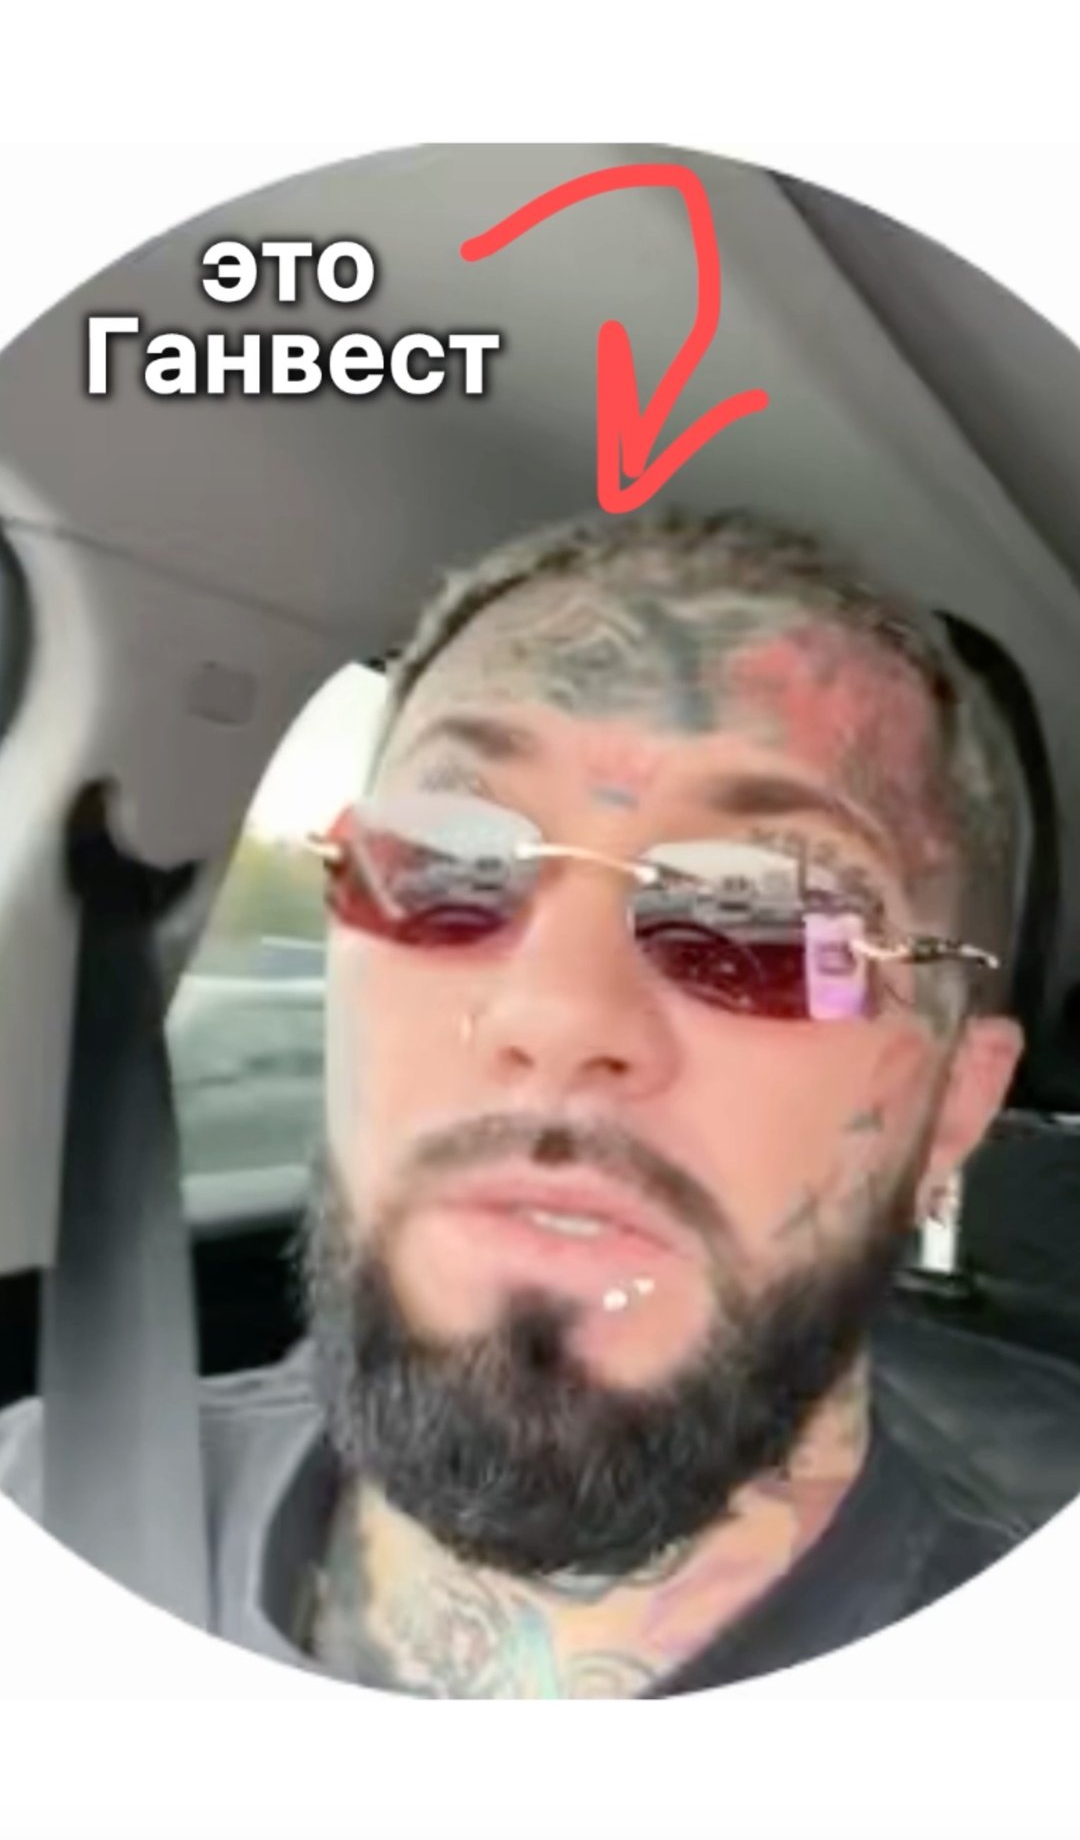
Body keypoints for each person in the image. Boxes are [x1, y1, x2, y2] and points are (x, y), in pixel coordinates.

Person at [0, 510, 1039, 1696]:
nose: (554, 1013)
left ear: (952, 1109)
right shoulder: (40, 1498)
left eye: (763, 917)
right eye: (444, 862)